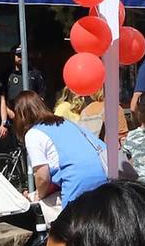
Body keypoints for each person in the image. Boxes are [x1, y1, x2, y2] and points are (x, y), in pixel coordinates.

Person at [16, 91, 108, 219]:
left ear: (20, 116)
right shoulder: (65, 122)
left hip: (78, 181)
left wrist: (39, 195)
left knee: (69, 226)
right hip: (104, 174)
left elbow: (43, 177)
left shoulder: (33, 134)